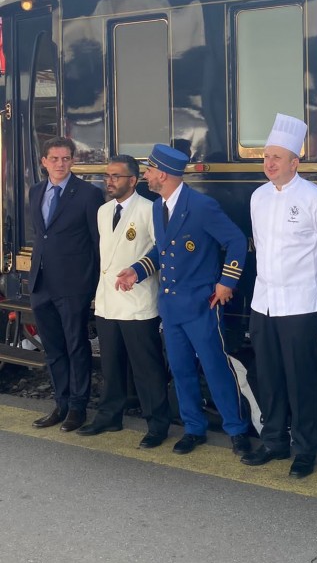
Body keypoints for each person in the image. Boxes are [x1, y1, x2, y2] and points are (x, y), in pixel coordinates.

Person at [115, 144, 251, 456]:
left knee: (216, 369)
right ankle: (193, 428)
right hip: (172, 307)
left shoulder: (201, 206)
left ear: (162, 173)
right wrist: (137, 271)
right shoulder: (156, 206)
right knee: (181, 370)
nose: (146, 175)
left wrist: (226, 283)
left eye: (149, 170)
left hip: (202, 305)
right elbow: (161, 252)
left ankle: (237, 429)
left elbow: (235, 241)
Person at [242, 114, 317, 478]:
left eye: (277, 158)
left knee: (300, 380)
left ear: (294, 162)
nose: (269, 164)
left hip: (300, 303)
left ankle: (304, 450)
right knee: (268, 376)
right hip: (263, 301)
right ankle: (273, 442)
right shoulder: (258, 197)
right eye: (266, 157)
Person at [76, 155, 171, 448]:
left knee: (147, 368)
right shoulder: (103, 211)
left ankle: (157, 424)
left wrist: (138, 273)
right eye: (108, 175)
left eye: (117, 176)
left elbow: (160, 251)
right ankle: (109, 415)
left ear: (133, 180)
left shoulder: (149, 210)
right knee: (111, 364)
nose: (110, 181)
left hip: (137, 302)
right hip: (107, 301)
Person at [30, 137, 102, 433]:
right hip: (41, 282)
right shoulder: (35, 192)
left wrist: (95, 283)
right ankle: (60, 403)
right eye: (54, 159)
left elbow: (97, 243)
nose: (60, 164)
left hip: (74, 284)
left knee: (76, 346)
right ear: (44, 161)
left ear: (73, 160)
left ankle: (77, 407)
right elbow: (42, 237)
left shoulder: (87, 194)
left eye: (66, 158)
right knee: (53, 348)